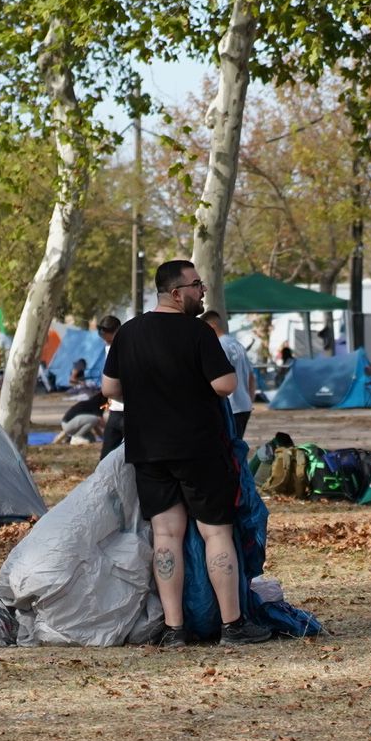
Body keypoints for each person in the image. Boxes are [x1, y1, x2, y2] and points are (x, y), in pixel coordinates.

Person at [101, 260, 271, 647]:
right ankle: (233, 625)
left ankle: (174, 629)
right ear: (177, 293)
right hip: (199, 449)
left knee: (166, 535)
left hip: (148, 448)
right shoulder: (197, 332)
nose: (203, 290)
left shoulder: (128, 333)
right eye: (197, 285)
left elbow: (110, 388)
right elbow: (226, 385)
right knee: (216, 533)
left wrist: (149, 393)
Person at [204, 309, 255, 438]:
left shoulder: (219, 345)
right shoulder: (237, 344)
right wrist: (250, 400)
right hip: (244, 405)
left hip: (231, 407)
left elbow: (220, 378)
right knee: (237, 446)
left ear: (211, 327)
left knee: (230, 450)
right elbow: (250, 376)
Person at [96, 315, 125, 459]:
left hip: (129, 412)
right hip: (115, 410)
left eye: (107, 334)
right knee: (106, 457)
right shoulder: (108, 348)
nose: (105, 339)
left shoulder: (128, 346)